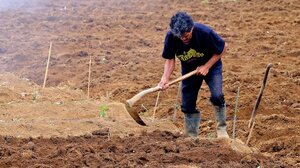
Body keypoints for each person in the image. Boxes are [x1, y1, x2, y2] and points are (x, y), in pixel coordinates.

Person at [158, 11, 229, 138]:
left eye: (186, 35)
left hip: (211, 66)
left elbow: (223, 47)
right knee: (187, 104)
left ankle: (222, 130)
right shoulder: (171, 36)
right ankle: (191, 136)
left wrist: (206, 66)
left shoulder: (205, 32)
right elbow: (170, 59)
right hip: (189, 70)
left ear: (192, 28)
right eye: (180, 36)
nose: (183, 39)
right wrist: (165, 78)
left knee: (217, 95)